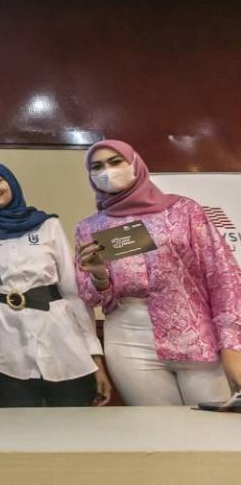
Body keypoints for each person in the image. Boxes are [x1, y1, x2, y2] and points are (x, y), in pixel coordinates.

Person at [75, 139, 241, 404]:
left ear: (135, 164)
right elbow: (90, 297)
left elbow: (224, 277)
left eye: (115, 162)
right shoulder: (89, 228)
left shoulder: (184, 211)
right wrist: (98, 274)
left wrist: (232, 346)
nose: (107, 171)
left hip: (196, 335)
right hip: (128, 339)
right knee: (159, 431)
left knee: (213, 430)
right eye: (97, 167)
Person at [0, 163, 111, 408]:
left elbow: (72, 293)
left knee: (74, 424)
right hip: (4, 346)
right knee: (21, 429)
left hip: (61, 338)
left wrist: (94, 355)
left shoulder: (47, 225)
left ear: (11, 183)